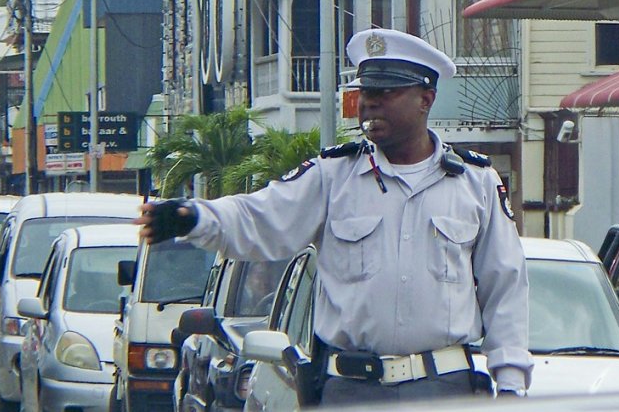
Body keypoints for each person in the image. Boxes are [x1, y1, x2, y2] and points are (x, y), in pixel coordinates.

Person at [136, 28, 533, 404]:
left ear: (425, 99)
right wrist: (193, 218)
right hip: (350, 389)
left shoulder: (474, 182)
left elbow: (505, 285)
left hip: (444, 389)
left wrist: (511, 384)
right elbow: (259, 218)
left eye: (385, 92)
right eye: (365, 92)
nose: (369, 102)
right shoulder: (332, 177)